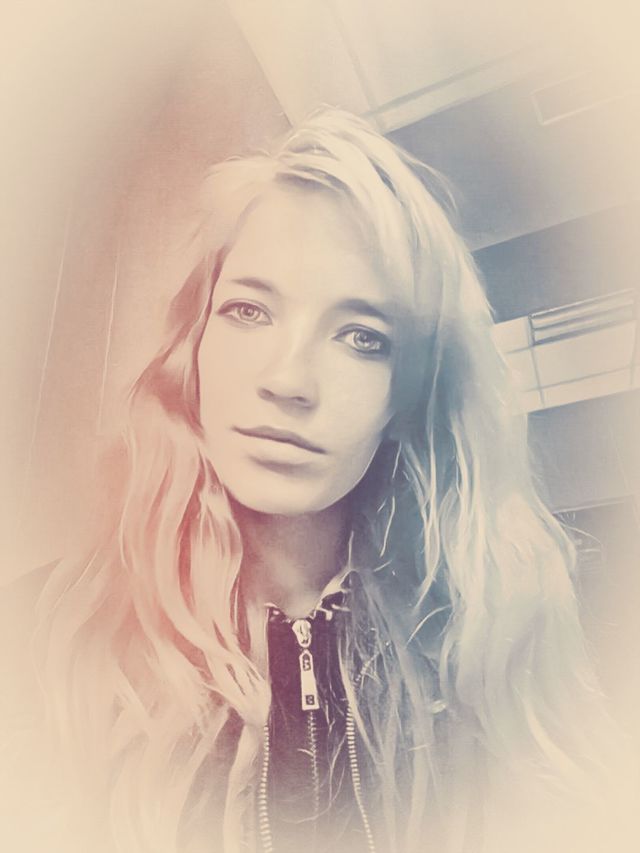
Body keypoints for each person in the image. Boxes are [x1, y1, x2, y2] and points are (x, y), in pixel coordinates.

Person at [13, 109, 626, 853]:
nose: (288, 379)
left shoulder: (490, 651)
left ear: (408, 400)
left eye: (362, 337)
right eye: (248, 310)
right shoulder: (45, 638)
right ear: (195, 347)